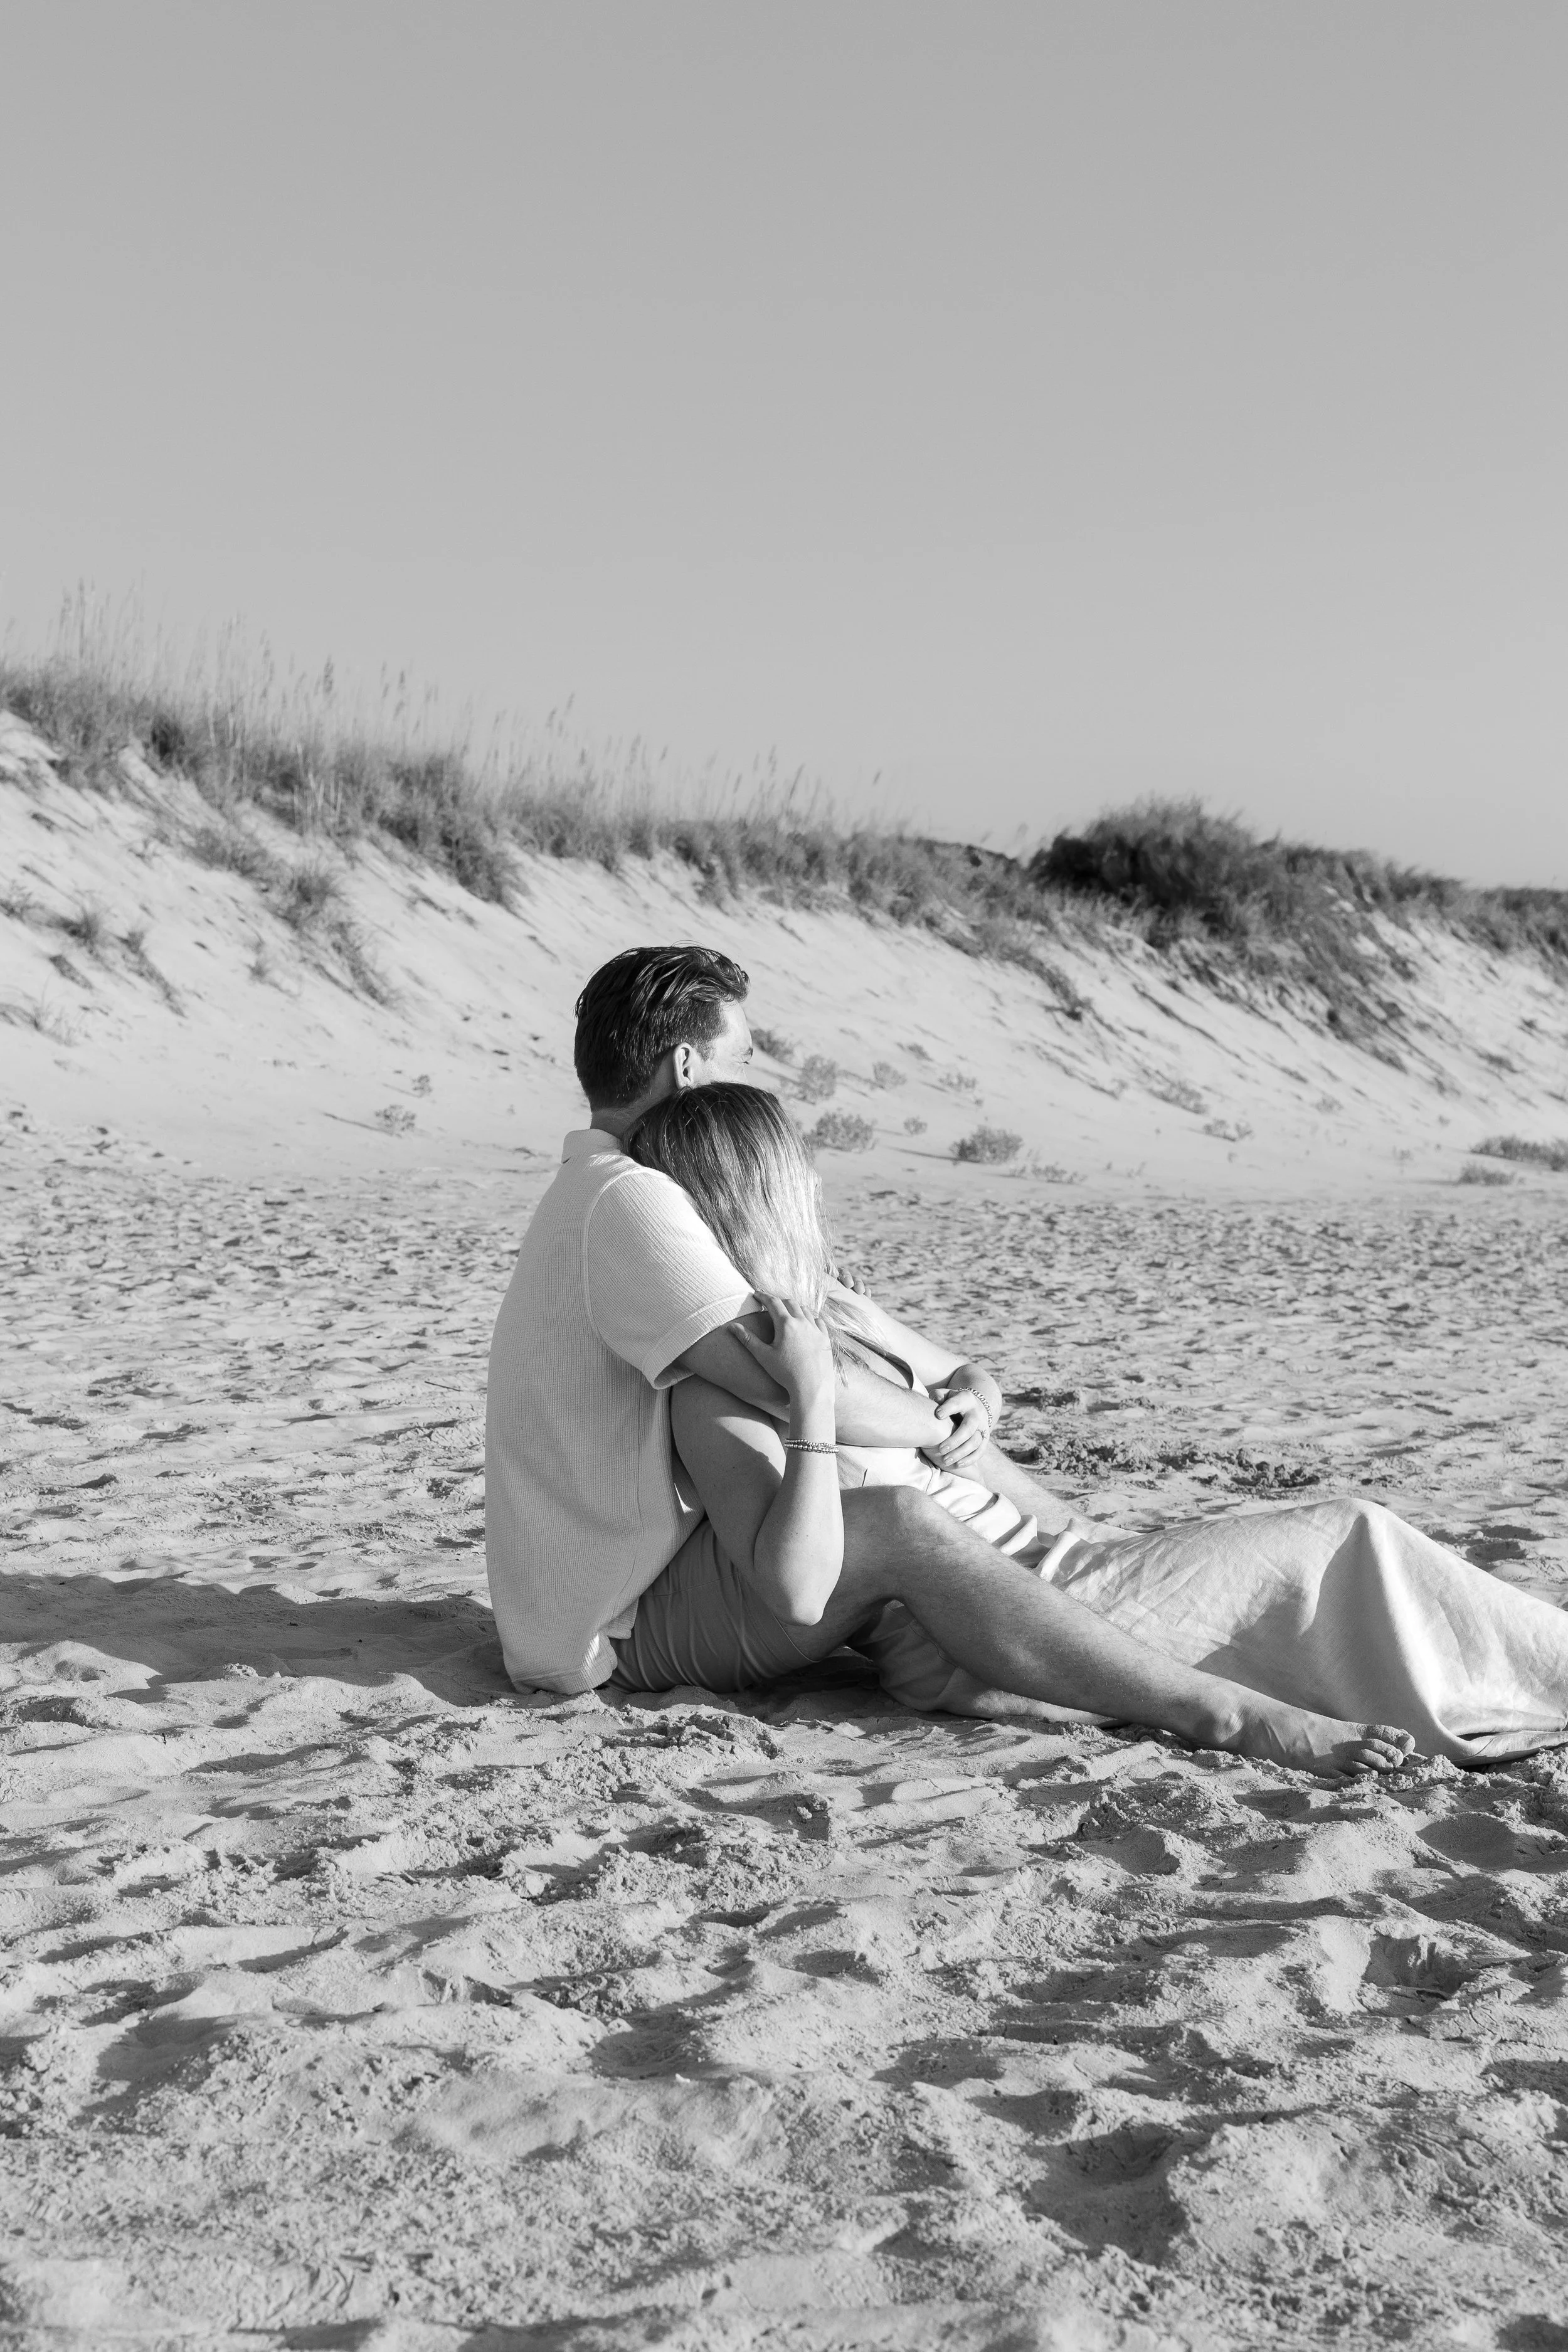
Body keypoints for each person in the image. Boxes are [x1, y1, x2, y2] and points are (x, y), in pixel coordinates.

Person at [488, 945, 1416, 1777]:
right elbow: (792, 1383)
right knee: (895, 1518)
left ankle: (1045, 1607)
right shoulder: (630, 1200)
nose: (760, 1081)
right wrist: (942, 1424)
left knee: (904, 1514)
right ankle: (1214, 1708)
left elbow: (811, 1372)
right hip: (613, 1623)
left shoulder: (596, 1190)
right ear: (687, 1067)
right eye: (742, 1058)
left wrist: (950, 1388)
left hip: (607, 1593)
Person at [617, 1081, 1568, 1771]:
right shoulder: (722, 1389)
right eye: (802, 1178)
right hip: (1021, 1599)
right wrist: (818, 1399)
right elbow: (796, 1578)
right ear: (765, 1195)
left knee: (1339, 1547)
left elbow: (969, 1410)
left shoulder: (828, 1316)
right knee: (1349, 1535)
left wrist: (986, 1427)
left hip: (1058, 1553)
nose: (819, 1196)